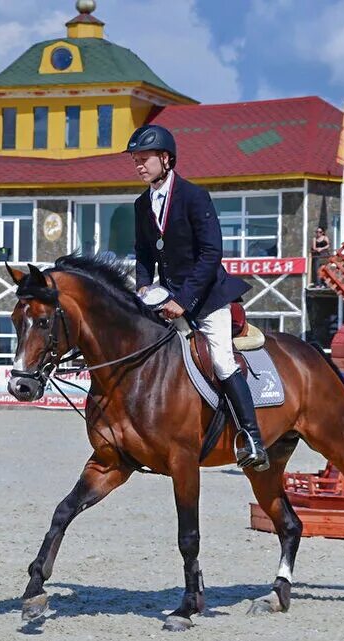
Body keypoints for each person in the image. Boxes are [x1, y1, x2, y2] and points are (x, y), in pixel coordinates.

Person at [128, 124, 268, 471]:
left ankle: (252, 437)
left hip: (206, 297)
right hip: (165, 296)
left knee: (221, 359)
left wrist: (184, 300)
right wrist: (143, 286)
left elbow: (211, 253)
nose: (139, 166)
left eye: (144, 159)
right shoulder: (141, 204)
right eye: (135, 161)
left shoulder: (194, 196)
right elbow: (144, 254)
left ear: (165, 158)